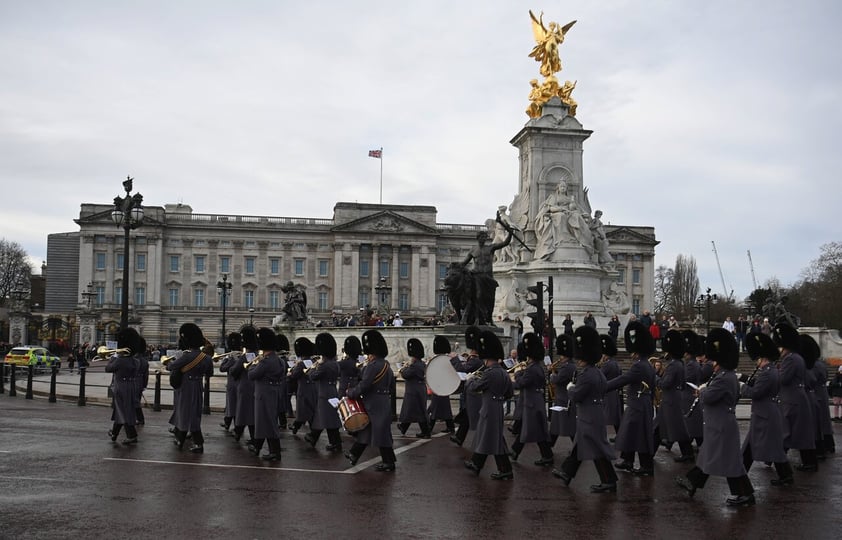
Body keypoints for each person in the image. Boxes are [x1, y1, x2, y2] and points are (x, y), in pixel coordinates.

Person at [675, 329, 756, 507]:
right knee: (708, 456)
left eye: (714, 361)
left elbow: (709, 397)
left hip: (721, 425)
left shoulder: (723, 378)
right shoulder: (725, 376)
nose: (712, 364)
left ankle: (745, 494)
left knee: (730, 462)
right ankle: (692, 483)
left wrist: (700, 393)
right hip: (718, 424)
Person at [552, 326, 618, 493]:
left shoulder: (587, 374)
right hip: (592, 413)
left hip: (589, 414)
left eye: (581, 357)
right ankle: (567, 473)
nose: (578, 360)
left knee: (597, 448)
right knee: (579, 445)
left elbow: (576, 396)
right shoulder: (596, 372)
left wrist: (569, 387)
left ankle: (609, 480)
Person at [740, 332, 794, 486]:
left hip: (764, 414)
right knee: (762, 447)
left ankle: (740, 478)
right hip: (767, 412)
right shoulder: (771, 371)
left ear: (761, 358)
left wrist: (742, 387)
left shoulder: (767, 373)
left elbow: (756, 393)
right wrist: (746, 379)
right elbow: (760, 386)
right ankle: (786, 476)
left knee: (768, 448)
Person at [606, 321, 657, 476]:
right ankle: (627, 460)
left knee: (639, 435)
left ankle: (646, 466)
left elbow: (622, 380)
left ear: (636, 351)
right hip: (642, 402)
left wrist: (602, 385)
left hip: (638, 404)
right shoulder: (647, 364)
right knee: (630, 432)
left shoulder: (639, 366)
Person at [463, 330, 515, 480]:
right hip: (497, 406)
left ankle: (504, 470)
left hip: (489, 407)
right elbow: (509, 393)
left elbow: (474, 388)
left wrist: (470, 379)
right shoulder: (503, 373)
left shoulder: (490, 373)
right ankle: (477, 463)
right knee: (490, 437)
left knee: (491, 437)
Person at [345, 330, 396, 472]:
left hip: (374, 403)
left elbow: (364, 385)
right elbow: (391, 385)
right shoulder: (386, 365)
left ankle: (389, 462)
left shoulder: (373, 366)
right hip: (382, 400)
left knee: (381, 432)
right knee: (368, 429)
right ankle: (354, 454)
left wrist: (351, 393)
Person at [772, 323, 818, 471]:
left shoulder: (790, 359)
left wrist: (774, 374)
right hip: (795, 398)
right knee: (801, 434)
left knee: (786, 434)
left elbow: (783, 379)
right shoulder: (795, 357)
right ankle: (809, 463)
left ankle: (783, 470)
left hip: (791, 400)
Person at [509, 332, 554, 467]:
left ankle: (545, 455)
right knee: (529, 429)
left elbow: (521, 384)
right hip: (533, 401)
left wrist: (516, 374)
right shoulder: (535, 367)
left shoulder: (532, 369)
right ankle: (517, 451)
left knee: (533, 429)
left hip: (532, 403)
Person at [167, 323, 214, 453]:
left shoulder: (186, 356)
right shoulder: (206, 358)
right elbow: (209, 373)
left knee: (185, 413)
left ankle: (198, 443)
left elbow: (171, 366)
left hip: (185, 387)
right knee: (193, 414)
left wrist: (173, 361)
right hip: (198, 387)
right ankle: (181, 439)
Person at [654, 330, 695, 462]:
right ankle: (648, 456)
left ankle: (647, 459)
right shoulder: (680, 364)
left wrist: (654, 377)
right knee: (659, 428)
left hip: (669, 400)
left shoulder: (673, 366)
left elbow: (665, 384)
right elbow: (682, 385)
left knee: (675, 428)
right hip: (674, 398)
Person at [459, 229, 512, 325]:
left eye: (484, 237)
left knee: (491, 299)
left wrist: (510, 233)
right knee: (478, 296)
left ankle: (489, 318)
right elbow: (464, 262)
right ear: (478, 238)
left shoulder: (490, 248)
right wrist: (455, 266)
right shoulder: (473, 250)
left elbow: (505, 243)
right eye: (481, 237)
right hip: (477, 275)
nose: (483, 239)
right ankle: (477, 318)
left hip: (488, 276)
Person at [247, 328, 284, 461]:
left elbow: (252, 375)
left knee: (267, 422)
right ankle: (258, 446)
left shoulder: (265, 361)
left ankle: (275, 452)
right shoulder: (279, 360)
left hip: (263, 394)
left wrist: (253, 364)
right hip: (273, 392)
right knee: (266, 422)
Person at [305, 332, 343, 453]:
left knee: (326, 417)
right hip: (332, 391)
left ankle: (330, 441)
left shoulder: (324, 365)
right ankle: (316, 437)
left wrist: (312, 368)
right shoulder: (335, 364)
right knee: (327, 417)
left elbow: (313, 377)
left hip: (324, 393)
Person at [106, 328, 141, 445]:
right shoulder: (136, 361)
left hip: (121, 386)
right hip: (132, 385)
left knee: (123, 410)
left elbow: (108, 368)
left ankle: (132, 435)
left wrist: (113, 357)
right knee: (123, 410)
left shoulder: (120, 360)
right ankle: (114, 433)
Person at [450, 326, 483, 446]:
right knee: (466, 415)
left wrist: (455, 359)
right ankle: (459, 437)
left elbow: (462, 370)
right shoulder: (475, 359)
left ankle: (478, 440)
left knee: (471, 414)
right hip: (470, 391)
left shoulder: (475, 360)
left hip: (472, 393)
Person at [397, 338, 431, 438]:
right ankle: (403, 427)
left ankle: (425, 432)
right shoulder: (421, 364)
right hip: (418, 389)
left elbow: (405, 374)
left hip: (414, 391)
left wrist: (404, 368)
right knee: (412, 410)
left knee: (417, 411)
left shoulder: (415, 366)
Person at [549, 334, 577, 447]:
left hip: (563, 398)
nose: (559, 358)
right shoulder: (569, 365)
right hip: (562, 397)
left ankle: (548, 450)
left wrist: (552, 373)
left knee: (566, 426)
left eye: (561, 355)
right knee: (556, 425)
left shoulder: (567, 367)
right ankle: (548, 448)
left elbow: (557, 380)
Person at [230, 327, 257, 444]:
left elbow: (234, 371)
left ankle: (238, 432)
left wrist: (234, 362)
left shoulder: (245, 356)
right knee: (252, 413)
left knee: (243, 412)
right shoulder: (258, 354)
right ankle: (247, 435)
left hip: (245, 387)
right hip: (256, 388)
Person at [427, 335, 457, 434]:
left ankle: (428, 428)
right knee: (445, 409)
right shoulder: (446, 359)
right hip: (443, 386)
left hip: (439, 386)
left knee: (435, 408)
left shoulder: (440, 360)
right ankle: (450, 427)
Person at [288, 337, 318, 435]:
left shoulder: (301, 364)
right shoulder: (313, 362)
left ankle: (311, 431)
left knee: (302, 410)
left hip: (303, 389)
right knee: (309, 409)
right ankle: (297, 426)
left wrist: (290, 372)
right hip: (312, 388)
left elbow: (294, 375)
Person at [681, 331, 704, 448]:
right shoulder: (691, 363)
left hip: (689, 397)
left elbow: (685, 379)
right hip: (689, 396)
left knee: (691, 425)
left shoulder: (691, 365)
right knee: (692, 426)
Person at [599, 335, 623, 439]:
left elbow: (599, 376)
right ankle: (620, 436)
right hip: (614, 393)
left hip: (608, 393)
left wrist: (598, 365)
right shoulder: (614, 363)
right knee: (615, 419)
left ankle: (601, 438)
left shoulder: (607, 365)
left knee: (603, 418)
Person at [218, 332, 242, 432]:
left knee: (233, 405)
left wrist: (229, 359)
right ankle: (228, 423)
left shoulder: (234, 357)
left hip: (234, 383)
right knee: (232, 405)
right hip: (237, 384)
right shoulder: (238, 356)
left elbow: (223, 368)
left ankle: (236, 426)